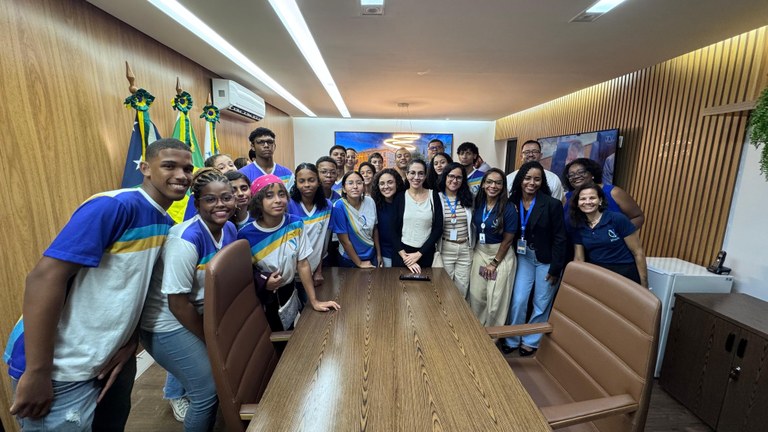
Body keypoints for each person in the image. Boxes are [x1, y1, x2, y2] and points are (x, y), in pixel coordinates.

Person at [5, 139, 192, 431]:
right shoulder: (113, 206)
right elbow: (44, 278)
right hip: (62, 367)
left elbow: (135, 291)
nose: (181, 175)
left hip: (110, 358)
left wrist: (130, 343)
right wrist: (38, 371)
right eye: (169, 165)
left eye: (187, 168)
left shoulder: (164, 220)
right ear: (145, 168)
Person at [139, 168, 237, 431]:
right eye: (210, 199)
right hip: (167, 324)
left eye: (227, 198)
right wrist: (210, 339)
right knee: (206, 390)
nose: (221, 205)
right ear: (197, 204)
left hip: (200, 315)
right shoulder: (185, 240)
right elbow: (178, 304)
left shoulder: (229, 229)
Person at [238, 175, 340, 332]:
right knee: (267, 340)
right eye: (269, 196)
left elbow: (303, 263)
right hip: (262, 297)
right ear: (258, 200)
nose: (278, 200)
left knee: (288, 331)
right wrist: (264, 281)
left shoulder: (296, 223)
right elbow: (243, 274)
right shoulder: (246, 234)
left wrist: (314, 301)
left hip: (288, 290)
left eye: (281, 194)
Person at [502, 161, 567, 357]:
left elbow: (560, 238)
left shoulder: (551, 204)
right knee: (519, 299)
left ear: (542, 181)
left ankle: (531, 340)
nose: (532, 182)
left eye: (537, 179)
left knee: (541, 301)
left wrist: (556, 268)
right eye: (527, 178)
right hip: (523, 257)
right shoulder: (510, 201)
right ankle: (512, 338)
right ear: (520, 179)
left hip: (546, 259)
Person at [568, 184, 648, 287]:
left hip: (624, 273)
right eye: (583, 199)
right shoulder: (578, 224)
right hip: (598, 273)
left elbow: (638, 252)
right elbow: (579, 258)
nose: (587, 202)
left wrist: (644, 284)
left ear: (600, 201)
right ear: (578, 203)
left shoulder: (617, 219)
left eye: (592, 198)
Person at [468, 168, 518, 327]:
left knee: (496, 299)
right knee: (477, 295)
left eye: (498, 183)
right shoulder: (478, 203)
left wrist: (494, 263)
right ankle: (477, 331)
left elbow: (508, 240)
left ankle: (493, 336)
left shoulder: (509, 208)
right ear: (483, 185)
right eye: (489, 182)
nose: (493, 186)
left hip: (500, 255)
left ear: (503, 186)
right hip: (480, 252)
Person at [288, 163, 332, 301]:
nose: (307, 184)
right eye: (302, 181)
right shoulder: (288, 205)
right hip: (288, 274)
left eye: (311, 180)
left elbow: (321, 242)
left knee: (311, 312)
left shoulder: (326, 206)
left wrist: (318, 270)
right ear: (296, 183)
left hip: (311, 272)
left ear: (318, 182)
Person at [563, 158, 644, 229]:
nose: (576, 177)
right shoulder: (568, 197)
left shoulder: (613, 192)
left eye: (581, 172)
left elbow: (637, 217)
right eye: (571, 175)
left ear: (592, 174)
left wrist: (620, 236)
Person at [393, 159, 443, 273]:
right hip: (402, 255)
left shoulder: (433, 195)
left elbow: (438, 228)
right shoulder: (400, 197)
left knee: (426, 290)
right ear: (407, 174)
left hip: (425, 254)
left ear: (425, 176)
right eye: (412, 173)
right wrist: (405, 256)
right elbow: (392, 230)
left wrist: (419, 254)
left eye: (421, 173)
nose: (416, 177)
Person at [435, 162, 474, 297]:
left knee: (462, 290)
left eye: (459, 177)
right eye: (451, 176)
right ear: (445, 177)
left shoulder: (468, 198)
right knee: (444, 289)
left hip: (465, 249)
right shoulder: (436, 198)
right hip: (445, 248)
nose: (454, 180)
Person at [331, 171, 381, 268]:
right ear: (344, 189)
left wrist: (378, 254)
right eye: (350, 183)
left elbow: (375, 229)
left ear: (363, 186)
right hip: (349, 259)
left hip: (371, 256)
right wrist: (359, 263)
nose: (355, 186)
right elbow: (344, 240)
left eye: (359, 183)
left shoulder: (370, 201)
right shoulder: (339, 206)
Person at [371, 168, 406, 267]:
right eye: (382, 183)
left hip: (405, 254)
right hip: (384, 255)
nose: (385, 187)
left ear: (397, 183)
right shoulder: (375, 205)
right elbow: (375, 231)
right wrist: (379, 255)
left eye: (390, 182)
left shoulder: (406, 202)